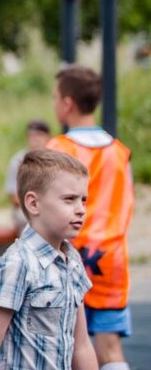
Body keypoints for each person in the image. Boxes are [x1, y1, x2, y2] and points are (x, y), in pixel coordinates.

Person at [0, 148, 97, 370]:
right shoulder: (18, 264)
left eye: (84, 200)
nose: (80, 210)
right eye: (69, 200)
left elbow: (82, 345)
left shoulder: (73, 261)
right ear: (33, 203)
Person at [47, 66, 135, 370]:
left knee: (70, 348)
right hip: (111, 258)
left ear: (67, 103)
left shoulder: (58, 150)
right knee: (110, 349)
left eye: (55, 97)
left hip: (68, 257)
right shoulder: (120, 153)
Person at [4, 119, 52, 229]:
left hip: (50, 206)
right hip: (26, 207)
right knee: (26, 219)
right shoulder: (17, 160)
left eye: (39, 135)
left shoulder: (57, 160)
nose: (35, 139)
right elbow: (14, 197)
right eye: (31, 135)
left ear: (49, 137)